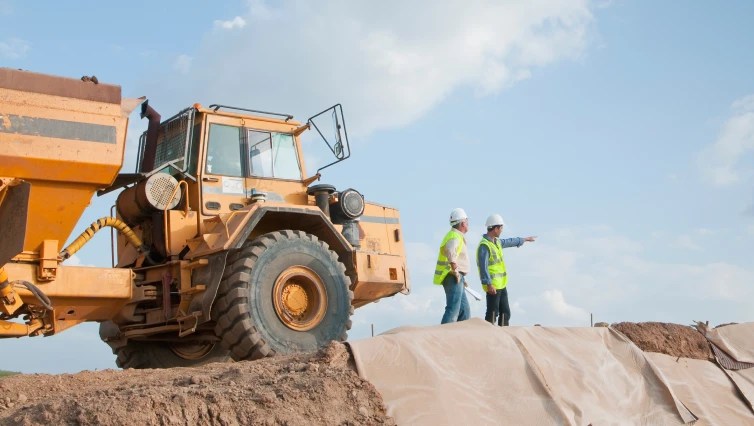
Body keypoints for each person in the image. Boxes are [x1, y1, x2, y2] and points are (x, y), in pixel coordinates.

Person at [476, 214, 536, 326]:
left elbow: (509, 241)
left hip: (501, 284)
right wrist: (488, 284)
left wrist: (523, 240)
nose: (502, 230)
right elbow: (483, 267)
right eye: (501, 228)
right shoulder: (484, 245)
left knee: (505, 312)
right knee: (492, 313)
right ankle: (486, 335)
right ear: (495, 228)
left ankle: (503, 335)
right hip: (493, 286)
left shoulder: (496, 242)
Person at [433, 208, 472, 324]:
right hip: (452, 276)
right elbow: (450, 251)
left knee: (464, 311)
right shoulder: (454, 236)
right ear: (462, 223)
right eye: (467, 221)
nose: (468, 223)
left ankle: (461, 336)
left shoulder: (456, 235)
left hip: (457, 277)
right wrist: (455, 270)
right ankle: (444, 335)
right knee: (453, 309)